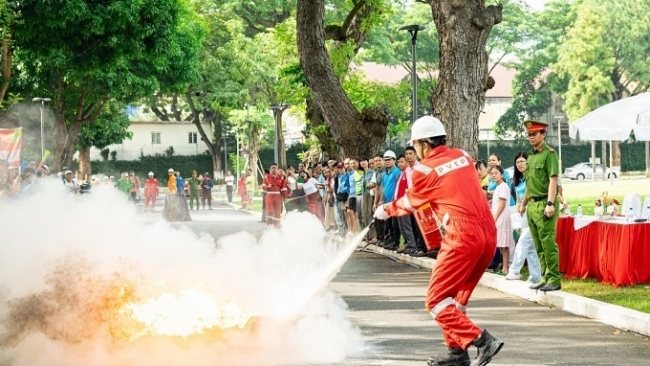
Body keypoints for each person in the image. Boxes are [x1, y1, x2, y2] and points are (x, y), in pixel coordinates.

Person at [374, 116, 503, 366]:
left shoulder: (424, 170)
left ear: (423, 144)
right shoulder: (463, 156)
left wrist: (385, 210)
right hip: (487, 232)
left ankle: (482, 340)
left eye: (416, 146)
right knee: (455, 302)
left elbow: (411, 202)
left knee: (435, 301)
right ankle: (457, 354)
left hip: (462, 235)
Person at [519, 120, 561, 292]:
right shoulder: (531, 156)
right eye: (528, 135)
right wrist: (523, 204)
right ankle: (545, 277)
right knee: (538, 245)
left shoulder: (549, 154)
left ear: (543, 135)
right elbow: (530, 184)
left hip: (545, 203)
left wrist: (550, 203)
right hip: (533, 206)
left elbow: (553, 180)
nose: (531, 137)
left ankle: (554, 278)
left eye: (534, 134)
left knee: (548, 244)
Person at [505, 152, 542, 284]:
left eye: (522, 161)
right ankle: (536, 276)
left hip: (535, 211)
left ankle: (514, 270)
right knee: (531, 246)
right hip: (523, 214)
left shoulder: (532, 176)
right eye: (517, 162)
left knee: (523, 241)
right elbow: (519, 198)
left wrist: (524, 205)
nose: (520, 164)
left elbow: (533, 193)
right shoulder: (517, 180)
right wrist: (519, 209)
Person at [489, 166, 515, 275]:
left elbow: (503, 203)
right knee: (501, 243)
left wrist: (495, 217)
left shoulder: (503, 186)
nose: (494, 175)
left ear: (502, 174)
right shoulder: (498, 187)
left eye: (496, 173)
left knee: (504, 244)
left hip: (502, 218)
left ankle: (505, 268)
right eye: (492, 173)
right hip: (499, 217)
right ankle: (503, 267)